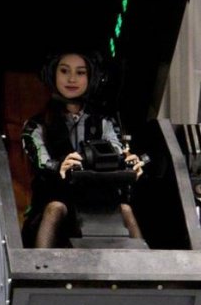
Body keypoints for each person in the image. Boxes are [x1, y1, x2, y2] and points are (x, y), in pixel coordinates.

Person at [22, 51, 142, 247]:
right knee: (54, 210)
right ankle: (40, 265)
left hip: (99, 198)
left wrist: (128, 161)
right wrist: (60, 166)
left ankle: (144, 265)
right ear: (53, 74)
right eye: (64, 71)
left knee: (125, 210)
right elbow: (41, 161)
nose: (72, 79)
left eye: (80, 72)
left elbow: (117, 150)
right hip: (56, 196)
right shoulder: (36, 125)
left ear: (91, 77)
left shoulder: (104, 122)